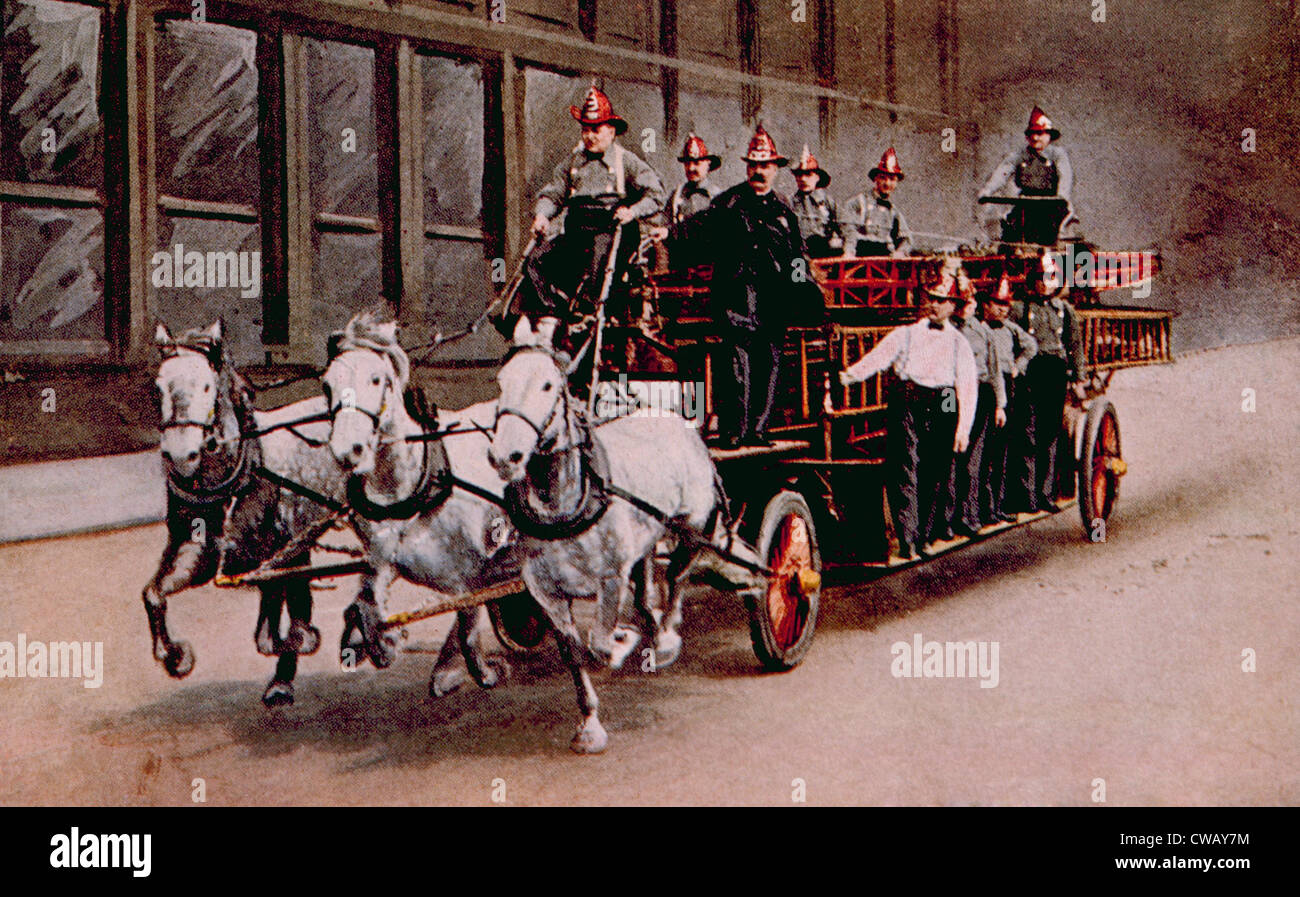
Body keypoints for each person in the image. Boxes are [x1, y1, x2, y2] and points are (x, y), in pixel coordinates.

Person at [685, 124, 821, 448]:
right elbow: (697, 229)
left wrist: (802, 290)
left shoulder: (785, 210)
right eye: (754, 165)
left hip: (774, 300)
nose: (759, 171)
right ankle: (734, 432)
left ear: (775, 169)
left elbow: (797, 254)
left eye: (765, 166)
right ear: (747, 167)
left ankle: (759, 431)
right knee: (736, 366)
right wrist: (669, 233)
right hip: (735, 297)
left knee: (769, 364)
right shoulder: (728, 202)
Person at [839, 268, 977, 559]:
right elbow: (878, 358)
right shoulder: (906, 334)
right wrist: (848, 376)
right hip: (908, 397)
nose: (935, 304)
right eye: (932, 298)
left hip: (944, 399)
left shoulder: (959, 342)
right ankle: (907, 538)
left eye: (942, 300)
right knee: (904, 467)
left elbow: (967, 385)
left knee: (935, 469)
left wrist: (963, 428)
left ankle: (924, 535)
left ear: (953, 305)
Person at [519, 83, 665, 347]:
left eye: (596, 130)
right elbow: (553, 194)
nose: (589, 136)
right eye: (585, 129)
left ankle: (590, 318)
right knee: (535, 261)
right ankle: (552, 317)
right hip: (577, 234)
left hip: (612, 232)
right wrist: (542, 216)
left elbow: (655, 195)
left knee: (600, 260)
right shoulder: (573, 162)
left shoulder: (626, 161)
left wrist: (632, 211)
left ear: (611, 131)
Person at [1009, 251, 1086, 512]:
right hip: (1031, 372)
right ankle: (1027, 496)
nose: (1045, 283)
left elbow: (1075, 345)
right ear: (1033, 281)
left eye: (1050, 278)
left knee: (1050, 433)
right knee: (1028, 433)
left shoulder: (1064, 310)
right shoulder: (1020, 309)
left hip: (1055, 372)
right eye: (1040, 278)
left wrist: (1078, 378)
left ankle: (1045, 494)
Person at [945, 270, 1006, 539]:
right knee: (948, 456)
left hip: (979, 392)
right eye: (959, 303)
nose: (964, 308)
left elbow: (994, 370)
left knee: (973, 459)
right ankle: (946, 521)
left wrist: (1000, 405)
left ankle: (969, 516)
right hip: (950, 394)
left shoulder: (982, 332)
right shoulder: (945, 329)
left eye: (968, 303)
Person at [980, 274, 1037, 524]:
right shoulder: (979, 329)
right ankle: (982, 509)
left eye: (1006, 305)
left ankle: (998, 505)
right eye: (997, 304)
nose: (1003, 310)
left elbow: (1031, 346)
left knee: (1002, 449)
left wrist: (1018, 366)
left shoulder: (1011, 329)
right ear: (986, 305)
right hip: (984, 387)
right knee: (983, 451)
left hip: (1006, 384)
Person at [978, 105, 1074, 246]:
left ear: (1049, 135)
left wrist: (1062, 197)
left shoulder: (1057, 155)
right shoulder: (1020, 155)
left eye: (1039, 133)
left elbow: (1065, 177)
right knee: (1010, 236)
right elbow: (1002, 172)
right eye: (1031, 134)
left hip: (1051, 205)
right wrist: (987, 191)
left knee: (1049, 239)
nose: (1035, 137)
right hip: (1026, 204)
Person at [648, 133, 722, 271]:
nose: (691, 168)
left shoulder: (717, 197)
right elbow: (665, 227)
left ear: (708, 164)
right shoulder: (677, 195)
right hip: (679, 263)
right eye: (688, 163)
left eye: (696, 163)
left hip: (707, 265)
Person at [839, 147, 911, 257]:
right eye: (883, 178)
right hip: (860, 253)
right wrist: (849, 252)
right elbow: (848, 231)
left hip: (884, 256)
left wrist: (900, 252)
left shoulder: (893, 211)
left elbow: (906, 238)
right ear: (875, 179)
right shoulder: (857, 203)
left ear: (896, 182)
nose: (887, 183)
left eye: (892, 179)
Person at [789, 145, 843, 258]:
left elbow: (843, 227)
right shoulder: (790, 203)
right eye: (799, 175)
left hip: (825, 253)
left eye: (808, 174)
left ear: (817, 177)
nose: (803, 179)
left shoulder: (827, 202)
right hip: (799, 254)